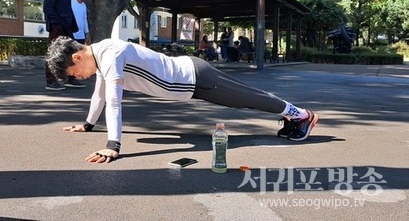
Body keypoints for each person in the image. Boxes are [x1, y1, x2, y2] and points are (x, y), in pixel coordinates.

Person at [46, 36, 319, 163]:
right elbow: (100, 93)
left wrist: (113, 145)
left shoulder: (110, 54)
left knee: (249, 99)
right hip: (190, 85)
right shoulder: (103, 59)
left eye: (73, 74)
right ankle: (294, 114)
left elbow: (115, 101)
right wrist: (88, 124)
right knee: (246, 100)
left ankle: (302, 115)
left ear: (77, 57)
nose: (78, 78)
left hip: (195, 76)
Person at [43, 0, 84, 90]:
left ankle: (70, 77)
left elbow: (65, 6)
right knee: (54, 52)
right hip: (59, 24)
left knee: (70, 51)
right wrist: (56, 22)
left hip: (65, 24)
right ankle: (51, 80)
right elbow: (48, 6)